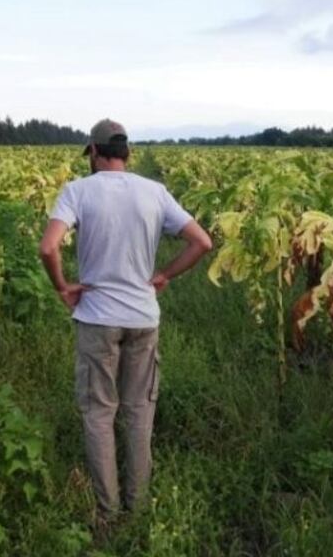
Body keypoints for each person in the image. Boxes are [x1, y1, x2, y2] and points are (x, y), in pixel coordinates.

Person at [38, 119, 212, 524]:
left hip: (97, 317)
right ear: (128, 154)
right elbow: (202, 242)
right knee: (138, 411)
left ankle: (107, 511)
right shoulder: (154, 192)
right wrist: (165, 274)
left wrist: (63, 287)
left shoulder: (78, 191)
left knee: (100, 412)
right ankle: (139, 507)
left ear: (95, 153)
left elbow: (49, 248)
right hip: (143, 318)